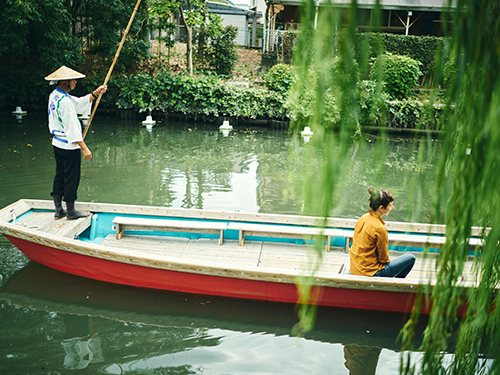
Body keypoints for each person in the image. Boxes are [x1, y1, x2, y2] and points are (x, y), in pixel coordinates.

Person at [45, 66, 107, 220]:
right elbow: (72, 128)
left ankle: (58, 209)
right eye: (73, 80)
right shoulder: (64, 101)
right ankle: (71, 211)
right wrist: (85, 148)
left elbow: (78, 103)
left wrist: (95, 93)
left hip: (57, 144)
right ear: (64, 81)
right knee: (72, 177)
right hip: (67, 145)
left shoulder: (55, 95)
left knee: (60, 175)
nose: (75, 83)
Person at [349, 186, 416, 278]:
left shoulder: (363, 218)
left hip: (355, 268)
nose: (392, 207)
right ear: (381, 208)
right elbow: (383, 259)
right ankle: (394, 284)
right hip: (371, 272)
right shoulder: (380, 229)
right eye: (390, 205)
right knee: (410, 258)